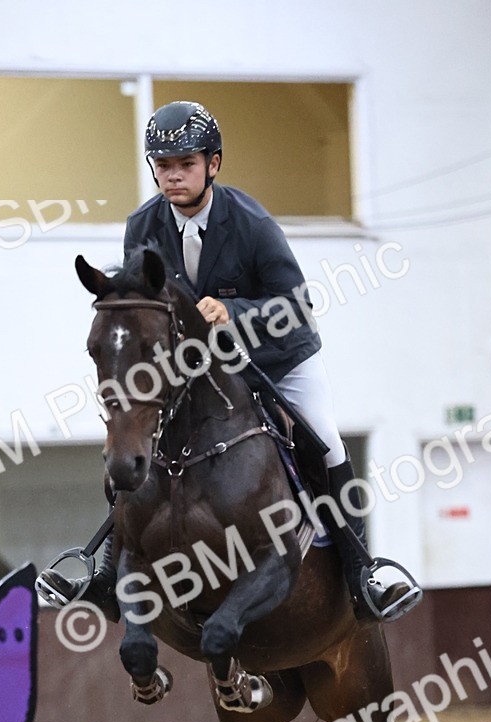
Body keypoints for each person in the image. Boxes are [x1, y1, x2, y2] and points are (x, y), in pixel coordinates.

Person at [41, 100, 421, 622]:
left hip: (276, 357)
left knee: (326, 442)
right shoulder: (143, 226)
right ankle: (107, 574)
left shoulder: (251, 222)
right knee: (132, 443)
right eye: (163, 165)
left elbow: (298, 306)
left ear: (212, 164)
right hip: (197, 368)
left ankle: (362, 575)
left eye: (185, 164)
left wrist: (234, 310)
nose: (172, 176)